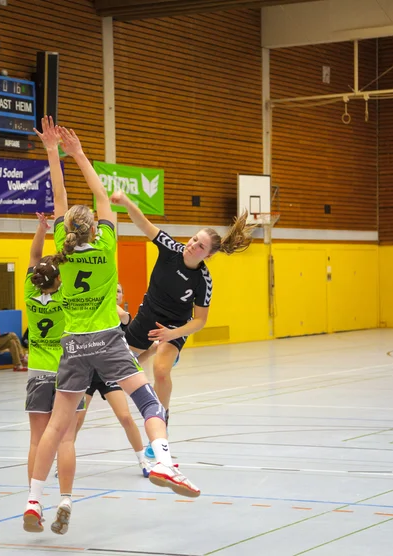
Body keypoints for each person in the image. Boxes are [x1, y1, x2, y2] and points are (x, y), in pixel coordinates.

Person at [23, 117, 200, 534]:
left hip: (72, 346)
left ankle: (33, 500)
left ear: (66, 230)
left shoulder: (61, 253)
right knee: (150, 404)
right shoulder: (106, 243)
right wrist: (77, 152)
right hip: (107, 340)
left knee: (57, 427)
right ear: (95, 227)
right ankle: (164, 463)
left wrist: (52, 151)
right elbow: (99, 194)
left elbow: (60, 195)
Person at [110, 188, 255, 458]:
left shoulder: (203, 280)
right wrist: (126, 202)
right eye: (193, 239)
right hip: (146, 316)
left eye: (200, 246)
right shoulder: (170, 249)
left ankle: (160, 430)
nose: (192, 245)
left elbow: (199, 321)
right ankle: (149, 350)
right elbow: (143, 223)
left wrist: (171, 334)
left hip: (175, 326)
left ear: (208, 255)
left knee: (161, 371)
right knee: (117, 369)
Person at [23, 211, 83, 535]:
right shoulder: (66, 295)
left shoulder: (30, 293)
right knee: (67, 437)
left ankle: (34, 501)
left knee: (37, 440)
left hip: (37, 373)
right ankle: (66, 498)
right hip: (66, 372)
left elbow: (35, 256)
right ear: (60, 280)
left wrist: (41, 228)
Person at [74, 283, 151, 478]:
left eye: (118, 291)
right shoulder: (94, 313)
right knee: (77, 419)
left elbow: (132, 356)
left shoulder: (123, 318)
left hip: (109, 375)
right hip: (87, 373)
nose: (115, 294)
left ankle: (143, 459)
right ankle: (63, 459)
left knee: (125, 417)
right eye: (112, 291)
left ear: (123, 296)